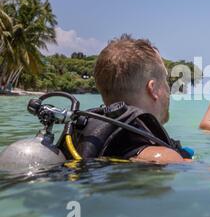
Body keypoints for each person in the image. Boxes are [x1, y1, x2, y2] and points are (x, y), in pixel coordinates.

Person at [67, 34, 191, 164]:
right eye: (165, 79)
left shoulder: (83, 141)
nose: (169, 89)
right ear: (153, 89)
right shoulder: (164, 158)